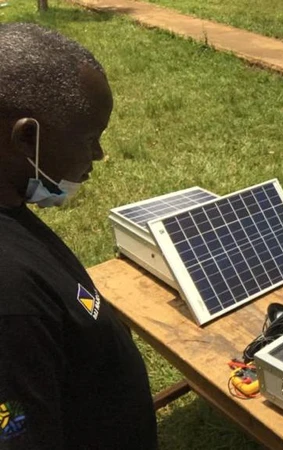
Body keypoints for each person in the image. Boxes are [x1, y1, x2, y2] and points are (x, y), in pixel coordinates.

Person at [0, 23, 157, 448]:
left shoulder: (12, 209)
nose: (98, 155)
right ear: (26, 138)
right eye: (90, 138)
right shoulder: (10, 302)